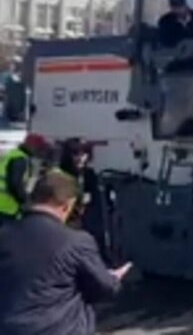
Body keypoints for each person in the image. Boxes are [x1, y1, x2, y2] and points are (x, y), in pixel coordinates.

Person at [0, 171, 132, 335]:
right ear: (67, 205)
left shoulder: (4, 234)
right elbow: (102, 288)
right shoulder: (76, 242)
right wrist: (113, 278)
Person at [0, 133, 54, 228]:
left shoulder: (13, 154)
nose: (39, 151)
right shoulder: (20, 159)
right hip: (6, 207)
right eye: (39, 148)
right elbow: (15, 184)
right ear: (32, 146)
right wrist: (26, 201)